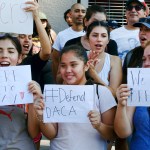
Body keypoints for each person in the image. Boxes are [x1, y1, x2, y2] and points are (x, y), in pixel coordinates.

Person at [28, 44, 117, 150]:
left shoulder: (101, 93)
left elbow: (112, 135)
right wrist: (42, 116)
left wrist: (99, 125)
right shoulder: (55, 94)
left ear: (86, 66)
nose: (68, 70)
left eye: (73, 65)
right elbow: (51, 135)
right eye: (63, 65)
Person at [0, 33, 43, 149]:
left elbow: (34, 134)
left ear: (19, 58)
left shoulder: (29, 88)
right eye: (0, 50)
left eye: (10, 51)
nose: (4, 55)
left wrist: (33, 102)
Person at [114, 41, 150, 150]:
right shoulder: (136, 88)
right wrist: (121, 105)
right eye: (144, 59)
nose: (146, 63)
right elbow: (123, 133)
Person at [86, 21, 122, 97]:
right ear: (87, 38)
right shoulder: (79, 57)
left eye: (103, 36)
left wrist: (94, 75)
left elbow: (114, 94)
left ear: (108, 40)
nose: (99, 39)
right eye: (95, 35)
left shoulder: (114, 60)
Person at [51, 3, 86, 81]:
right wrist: (57, 81)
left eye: (83, 12)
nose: (80, 14)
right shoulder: (61, 35)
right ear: (70, 14)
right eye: (77, 11)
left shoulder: (90, 35)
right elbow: (55, 60)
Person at [123, 16, 150, 83]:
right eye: (140, 29)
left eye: (146, 29)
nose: (142, 33)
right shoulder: (131, 54)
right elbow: (125, 82)